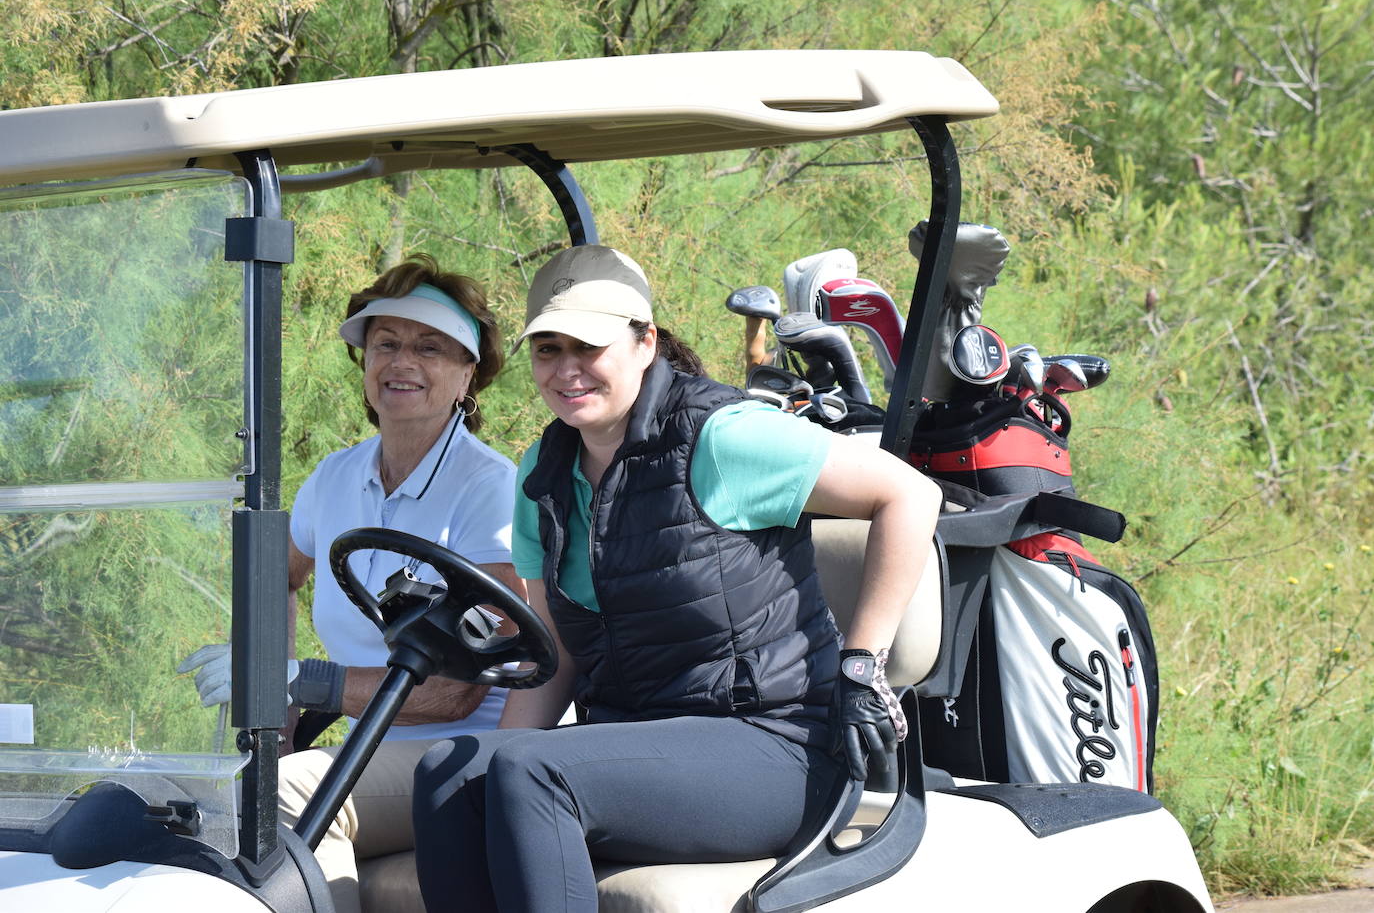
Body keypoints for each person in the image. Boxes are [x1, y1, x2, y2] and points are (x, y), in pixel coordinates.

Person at [410, 244, 942, 912]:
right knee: (451, 773)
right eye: (548, 350)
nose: (566, 370)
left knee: (530, 771)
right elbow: (557, 649)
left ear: (644, 343)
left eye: (588, 347)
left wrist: (863, 662)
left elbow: (911, 496)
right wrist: (489, 763)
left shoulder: (722, 437)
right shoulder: (543, 474)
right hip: (640, 746)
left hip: (778, 743)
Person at [178, 255, 522, 913]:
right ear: (363, 362)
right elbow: (273, 581)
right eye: (384, 343)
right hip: (373, 746)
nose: (401, 362)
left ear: (468, 372)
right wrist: (272, 709)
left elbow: (453, 695)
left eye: (429, 347)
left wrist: (304, 683)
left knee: (283, 795)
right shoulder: (334, 477)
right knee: (186, 795)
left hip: (458, 756)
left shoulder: (488, 489)